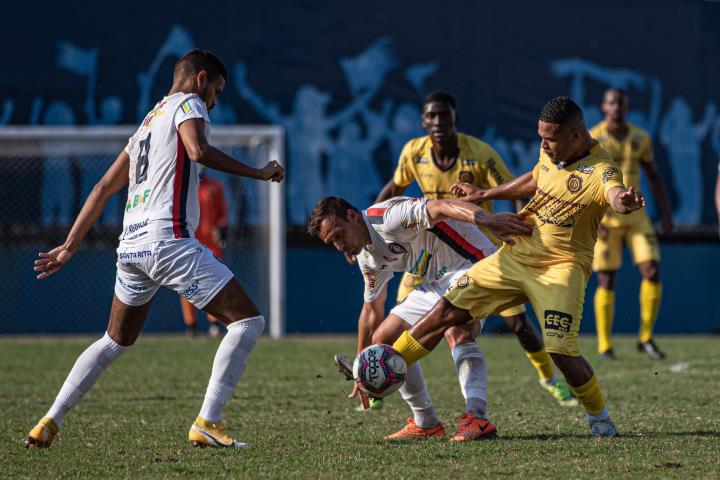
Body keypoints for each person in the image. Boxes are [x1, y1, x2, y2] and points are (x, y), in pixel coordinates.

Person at [25, 49, 285, 449]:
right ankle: (207, 422)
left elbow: (101, 189)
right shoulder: (189, 103)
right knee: (248, 322)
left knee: (114, 341)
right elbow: (198, 151)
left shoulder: (147, 124)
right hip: (169, 242)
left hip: (130, 249)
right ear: (200, 80)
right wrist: (258, 173)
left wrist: (68, 246)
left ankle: (49, 420)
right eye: (215, 91)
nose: (213, 102)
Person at [387, 97, 647, 437]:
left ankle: (600, 418)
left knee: (560, 351)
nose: (542, 144)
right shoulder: (551, 152)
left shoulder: (601, 170)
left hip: (561, 268)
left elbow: (613, 192)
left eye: (549, 138)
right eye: (540, 136)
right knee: (445, 310)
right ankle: (388, 368)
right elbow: (536, 177)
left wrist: (622, 202)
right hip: (514, 256)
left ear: (574, 136)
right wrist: (485, 194)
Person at [371, 91, 576, 407]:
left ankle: (550, 380)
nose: (438, 122)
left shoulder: (479, 153)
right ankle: (382, 381)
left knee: (519, 325)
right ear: (423, 121)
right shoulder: (413, 152)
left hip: (476, 251)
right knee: (396, 325)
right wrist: (371, 231)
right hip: (429, 254)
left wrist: (525, 226)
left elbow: (516, 190)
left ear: (455, 118)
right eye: (431, 116)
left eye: (444, 115)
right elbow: (393, 189)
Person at [308, 195, 533, 440]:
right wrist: (362, 363)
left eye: (339, 235)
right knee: (383, 338)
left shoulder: (387, 218)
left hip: (473, 264)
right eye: (333, 243)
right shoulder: (367, 257)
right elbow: (371, 311)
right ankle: (426, 422)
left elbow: (442, 206)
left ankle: (477, 417)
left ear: (352, 216)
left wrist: (488, 220)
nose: (339, 246)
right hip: (438, 281)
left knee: (455, 329)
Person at [589, 88, 673, 360]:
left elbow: (653, 174)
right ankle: (605, 345)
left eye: (621, 104)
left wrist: (666, 211)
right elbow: (587, 183)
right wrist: (593, 216)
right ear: (603, 106)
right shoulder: (594, 138)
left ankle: (646, 338)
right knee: (606, 279)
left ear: (626, 108)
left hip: (638, 217)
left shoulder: (640, 137)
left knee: (651, 271)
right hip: (606, 220)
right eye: (612, 103)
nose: (617, 108)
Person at [181, 170, 228, 338]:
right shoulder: (182, 186)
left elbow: (222, 213)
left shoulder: (214, 187)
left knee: (215, 282)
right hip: (189, 242)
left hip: (211, 243)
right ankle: (191, 325)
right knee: (186, 284)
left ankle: (214, 323)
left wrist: (222, 230)